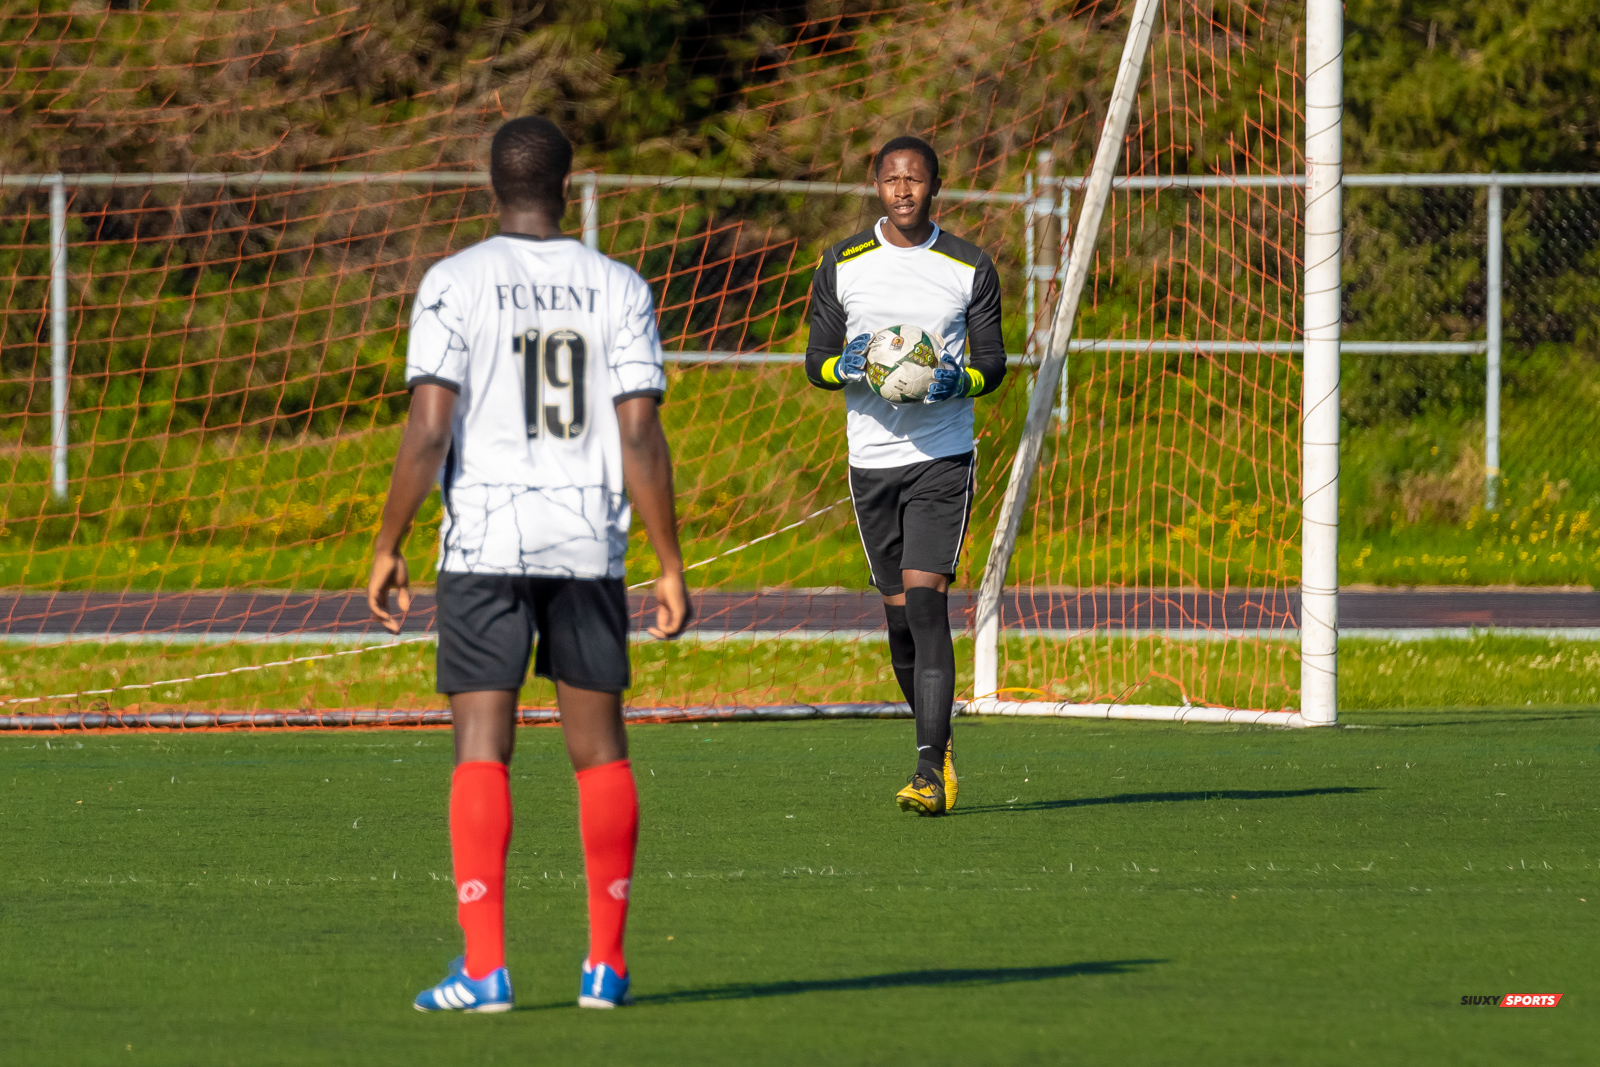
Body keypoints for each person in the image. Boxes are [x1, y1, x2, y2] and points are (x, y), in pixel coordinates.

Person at [366, 116, 691, 1012]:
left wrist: (389, 542)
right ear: (567, 185)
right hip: (587, 543)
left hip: (484, 543)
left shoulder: (454, 281)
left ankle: (485, 970)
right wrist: (668, 561)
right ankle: (605, 967)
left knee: (483, 745)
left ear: (491, 183)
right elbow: (639, 433)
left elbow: (429, 428)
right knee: (600, 750)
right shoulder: (618, 285)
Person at [804, 135, 1006, 817]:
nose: (902, 189)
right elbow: (815, 361)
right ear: (876, 185)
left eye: (914, 179)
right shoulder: (843, 263)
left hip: (941, 457)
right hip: (871, 462)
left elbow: (993, 363)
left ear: (935, 186)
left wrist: (958, 380)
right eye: (891, 178)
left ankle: (927, 770)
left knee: (926, 604)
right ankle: (938, 741)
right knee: (897, 622)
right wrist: (846, 365)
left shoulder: (968, 265)